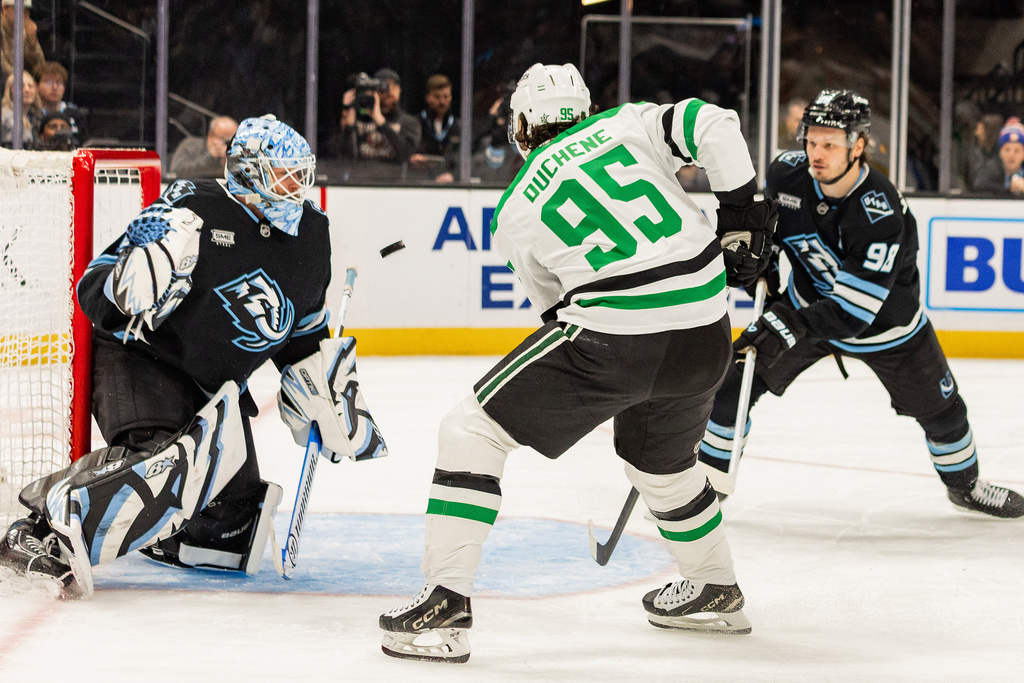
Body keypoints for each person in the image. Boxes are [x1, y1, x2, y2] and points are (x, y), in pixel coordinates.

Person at [379, 62, 778, 662]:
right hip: (705, 329)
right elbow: (715, 123)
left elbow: (556, 309)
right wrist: (742, 216)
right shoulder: (628, 124)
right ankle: (716, 588)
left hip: (616, 338)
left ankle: (445, 603)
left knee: (470, 431)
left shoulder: (515, 206)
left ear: (522, 123)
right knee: (661, 463)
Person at [0, 115, 386, 598]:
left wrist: (320, 386)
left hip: (215, 387)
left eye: (300, 173)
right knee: (166, 469)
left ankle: (161, 533)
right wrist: (139, 277)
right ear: (246, 171)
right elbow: (93, 291)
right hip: (141, 361)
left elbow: (300, 331)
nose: (297, 186)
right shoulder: (192, 207)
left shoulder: (311, 234)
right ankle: (39, 528)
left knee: (233, 527)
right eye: (282, 173)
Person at [696, 89, 1024, 519]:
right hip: (809, 305)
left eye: (830, 144)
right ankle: (708, 487)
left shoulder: (880, 212)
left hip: (888, 330)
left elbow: (852, 314)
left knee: (945, 414)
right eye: (812, 141)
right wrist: (762, 262)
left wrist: (783, 325)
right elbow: (773, 234)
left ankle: (966, 486)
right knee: (731, 384)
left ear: (859, 146)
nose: (816, 153)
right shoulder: (787, 174)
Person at [334, 67, 420, 180]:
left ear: (400, 89)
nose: (389, 91)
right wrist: (348, 121)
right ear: (374, 91)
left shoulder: (409, 122)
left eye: (394, 86)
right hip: (359, 185)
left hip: (395, 186)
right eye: (384, 87)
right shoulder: (360, 118)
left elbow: (405, 154)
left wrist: (380, 121)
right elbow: (345, 157)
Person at [409, 73, 459, 182]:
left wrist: (453, 175)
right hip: (420, 180)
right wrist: (412, 158)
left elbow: (460, 159)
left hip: (450, 182)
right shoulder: (416, 123)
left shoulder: (456, 125)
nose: (442, 101)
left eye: (446, 97)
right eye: (437, 97)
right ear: (427, 97)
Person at [169, 115, 238, 179]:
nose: (227, 145)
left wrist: (230, 163)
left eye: (231, 141)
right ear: (210, 135)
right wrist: (209, 157)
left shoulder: (237, 150)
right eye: (223, 140)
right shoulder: (190, 145)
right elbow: (177, 172)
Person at [35, 61, 82, 146]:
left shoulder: (74, 113)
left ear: (64, 88)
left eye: (59, 83)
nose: (55, 87)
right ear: (37, 86)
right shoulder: (31, 113)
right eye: (48, 82)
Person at [0, 0, 45, 87]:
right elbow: (2, 68)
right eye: (19, 10)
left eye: (26, 11)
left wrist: (33, 43)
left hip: (20, 85)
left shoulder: (25, 30)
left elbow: (40, 68)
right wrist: (24, 79)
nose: (24, 15)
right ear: (4, 9)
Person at [1, 69, 40, 147]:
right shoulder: (5, 116)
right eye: (21, 86)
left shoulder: (34, 116)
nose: (27, 90)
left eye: (30, 86)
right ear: (10, 90)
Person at [994, 117, 1024, 196]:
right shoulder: (990, 173)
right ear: (1000, 152)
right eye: (1007, 150)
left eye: (1017, 151)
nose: (1011, 155)